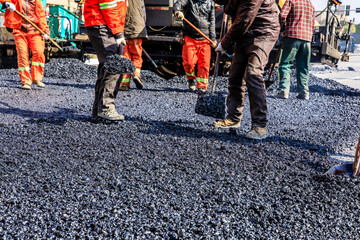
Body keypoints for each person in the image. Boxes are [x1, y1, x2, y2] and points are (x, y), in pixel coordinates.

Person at [213, 0, 280, 140]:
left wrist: (224, 44)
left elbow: (244, 19)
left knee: (253, 73)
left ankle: (259, 126)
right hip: (246, 33)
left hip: (263, 32)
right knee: (235, 75)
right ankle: (233, 118)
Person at [84, 0, 127, 121]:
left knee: (106, 66)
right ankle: (106, 108)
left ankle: (98, 111)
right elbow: (109, 7)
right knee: (114, 64)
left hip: (100, 22)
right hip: (101, 22)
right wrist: (118, 32)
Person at [1, 0, 50, 90]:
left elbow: (41, 15)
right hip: (19, 30)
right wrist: (7, 3)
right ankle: (26, 81)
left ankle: (36, 78)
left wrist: (45, 30)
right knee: (23, 55)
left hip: (35, 30)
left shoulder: (36, 1)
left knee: (39, 52)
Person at [173, 0, 216, 93]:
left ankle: (202, 87)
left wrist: (213, 38)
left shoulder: (210, 3)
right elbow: (178, 4)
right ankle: (191, 79)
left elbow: (212, 21)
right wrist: (177, 11)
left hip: (205, 39)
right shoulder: (189, 0)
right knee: (189, 62)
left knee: (204, 65)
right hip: (190, 37)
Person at [275, 0, 315, 100]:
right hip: (306, 39)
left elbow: (282, 16)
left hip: (292, 36)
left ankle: (284, 91)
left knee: (285, 64)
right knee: (303, 67)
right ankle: (304, 93)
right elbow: (313, 24)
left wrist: (283, 28)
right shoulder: (310, 4)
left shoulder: (291, 1)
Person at [119, 0, 148, 91]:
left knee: (125, 57)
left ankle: (124, 83)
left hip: (122, 29)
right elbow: (143, 13)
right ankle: (136, 75)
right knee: (136, 55)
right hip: (137, 29)